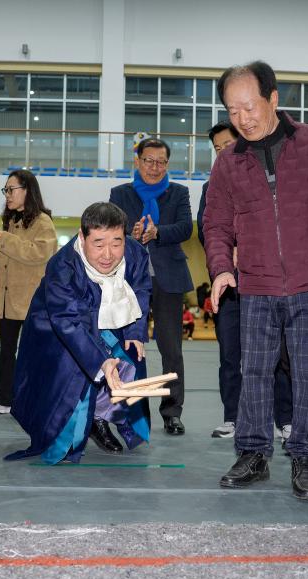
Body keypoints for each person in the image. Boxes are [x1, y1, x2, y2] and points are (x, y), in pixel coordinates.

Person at [204, 61, 308, 502]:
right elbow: (215, 223)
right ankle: (253, 453)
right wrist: (222, 268)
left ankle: (307, 456)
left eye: (249, 107)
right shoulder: (228, 162)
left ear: (273, 99)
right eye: (232, 110)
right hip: (257, 285)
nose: (242, 118)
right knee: (255, 372)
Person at [4, 202, 152, 464]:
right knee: (73, 379)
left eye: (116, 243)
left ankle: (101, 417)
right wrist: (100, 360)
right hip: (58, 328)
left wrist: (135, 331)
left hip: (110, 322)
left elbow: (140, 290)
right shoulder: (63, 266)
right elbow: (68, 321)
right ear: (82, 238)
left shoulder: (136, 254)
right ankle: (70, 428)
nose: (108, 254)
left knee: (129, 358)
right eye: (98, 244)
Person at [110, 138, 193, 436]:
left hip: (169, 279)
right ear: (138, 161)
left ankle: (172, 412)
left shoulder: (179, 192)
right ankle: (133, 412)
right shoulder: (120, 193)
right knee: (129, 347)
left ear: (167, 164)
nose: (154, 167)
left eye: (161, 162)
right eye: (149, 161)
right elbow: (111, 229)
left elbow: (186, 227)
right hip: (130, 282)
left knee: (171, 350)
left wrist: (157, 232)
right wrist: (129, 233)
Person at [0, 170, 57, 415]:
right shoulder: (10, 221)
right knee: (7, 352)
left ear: (27, 190)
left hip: (30, 300)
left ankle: (34, 398)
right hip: (7, 299)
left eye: (11, 189)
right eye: (5, 190)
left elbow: (40, 254)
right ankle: (5, 398)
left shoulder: (43, 222)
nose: (7, 194)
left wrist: (4, 239)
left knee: (34, 354)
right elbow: (1, 258)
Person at [198, 122, 242, 439]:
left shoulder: (264, 178)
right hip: (227, 286)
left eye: (227, 144)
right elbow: (207, 231)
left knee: (277, 355)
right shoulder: (210, 186)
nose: (222, 152)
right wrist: (226, 254)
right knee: (229, 354)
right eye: (217, 148)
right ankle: (233, 417)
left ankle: (284, 419)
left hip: (266, 281)